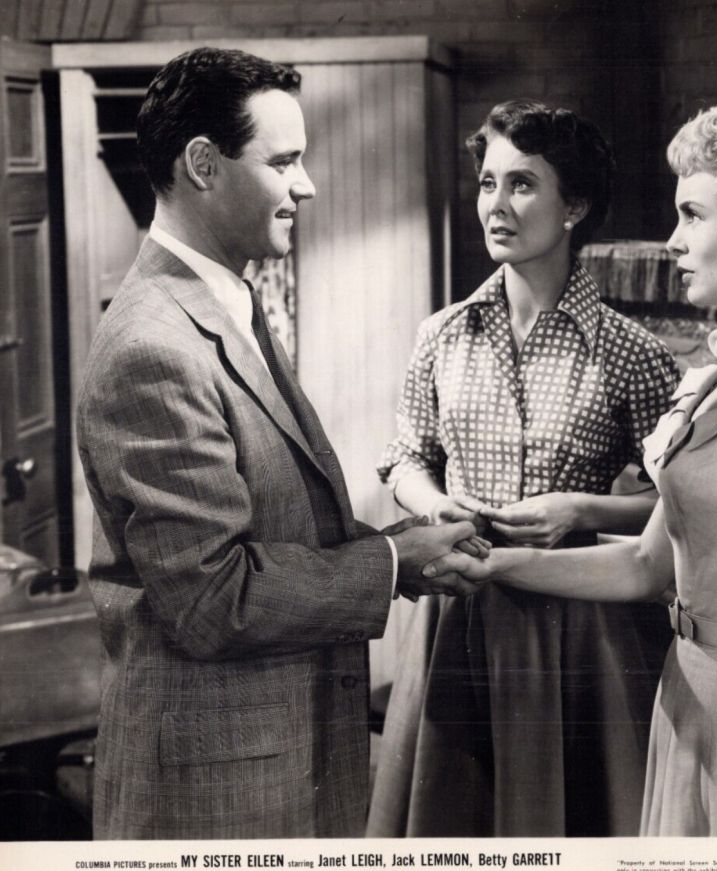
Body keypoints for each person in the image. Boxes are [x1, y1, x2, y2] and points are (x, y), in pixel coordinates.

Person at [423, 103, 717, 836]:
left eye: (692, 215)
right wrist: (495, 565)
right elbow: (647, 567)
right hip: (688, 699)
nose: (673, 240)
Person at [75, 47, 482, 840]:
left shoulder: (225, 299)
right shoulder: (152, 346)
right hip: (210, 801)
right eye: (284, 161)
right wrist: (392, 562)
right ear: (203, 164)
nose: (308, 185)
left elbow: (272, 524)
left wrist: (401, 543)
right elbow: (212, 599)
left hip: (274, 765)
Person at [367, 100, 679, 836]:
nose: (496, 205)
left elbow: (683, 503)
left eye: (522, 184)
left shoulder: (632, 353)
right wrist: (434, 503)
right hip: (456, 612)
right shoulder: (442, 334)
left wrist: (581, 509)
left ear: (574, 206)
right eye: (488, 182)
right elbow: (406, 457)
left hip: (577, 623)